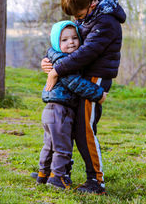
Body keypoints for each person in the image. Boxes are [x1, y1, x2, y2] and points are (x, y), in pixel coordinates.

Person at [42, 0, 126, 194]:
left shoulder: (106, 22)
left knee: (85, 130)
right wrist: (49, 60)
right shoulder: (87, 17)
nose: (76, 19)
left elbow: (85, 53)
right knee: (70, 125)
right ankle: (60, 172)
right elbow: (66, 44)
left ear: (91, 4)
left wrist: (57, 70)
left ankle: (96, 182)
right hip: (81, 76)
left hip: (95, 79)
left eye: (78, 15)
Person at [37, 20, 106, 190]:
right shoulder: (64, 62)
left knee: (50, 145)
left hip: (50, 110)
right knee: (63, 147)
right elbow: (74, 82)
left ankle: (43, 174)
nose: (71, 43)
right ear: (56, 43)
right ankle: (57, 177)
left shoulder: (56, 57)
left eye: (75, 38)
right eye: (65, 40)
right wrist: (97, 93)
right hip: (61, 110)